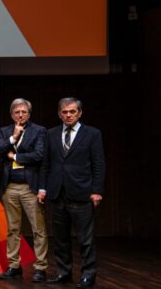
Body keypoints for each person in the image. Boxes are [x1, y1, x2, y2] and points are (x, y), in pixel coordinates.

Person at [40, 98, 105, 288]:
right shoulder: (51, 134)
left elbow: (99, 164)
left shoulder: (92, 134)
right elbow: (45, 164)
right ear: (59, 114)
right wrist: (43, 188)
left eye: (72, 112)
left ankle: (88, 275)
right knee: (60, 239)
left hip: (82, 193)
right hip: (57, 193)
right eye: (65, 112)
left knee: (85, 239)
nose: (68, 115)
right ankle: (64, 272)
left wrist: (97, 191)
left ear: (80, 113)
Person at [0, 98, 48, 282]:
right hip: (10, 187)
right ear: (11, 114)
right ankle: (14, 266)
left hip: (30, 187)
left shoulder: (39, 131)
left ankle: (40, 267)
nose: (20, 115)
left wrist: (15, 155)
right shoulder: (5, 131)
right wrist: (13, 137)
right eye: (17, 112)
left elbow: (39, 155)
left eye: (24, 112)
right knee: (13, 229)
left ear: (29, 114)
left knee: (38, 229)